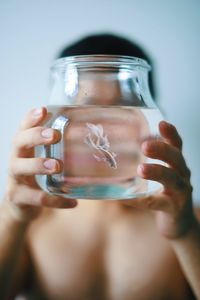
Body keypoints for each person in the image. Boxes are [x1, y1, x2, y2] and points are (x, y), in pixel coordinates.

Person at [0, 33, 200, 300]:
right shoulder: (29, 222)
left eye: (121, 110)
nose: (104, 130)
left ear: (152, 118)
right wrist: (12, 217)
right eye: (86, 113)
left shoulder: (189, 221)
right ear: (52, 122)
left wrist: (185, 233)